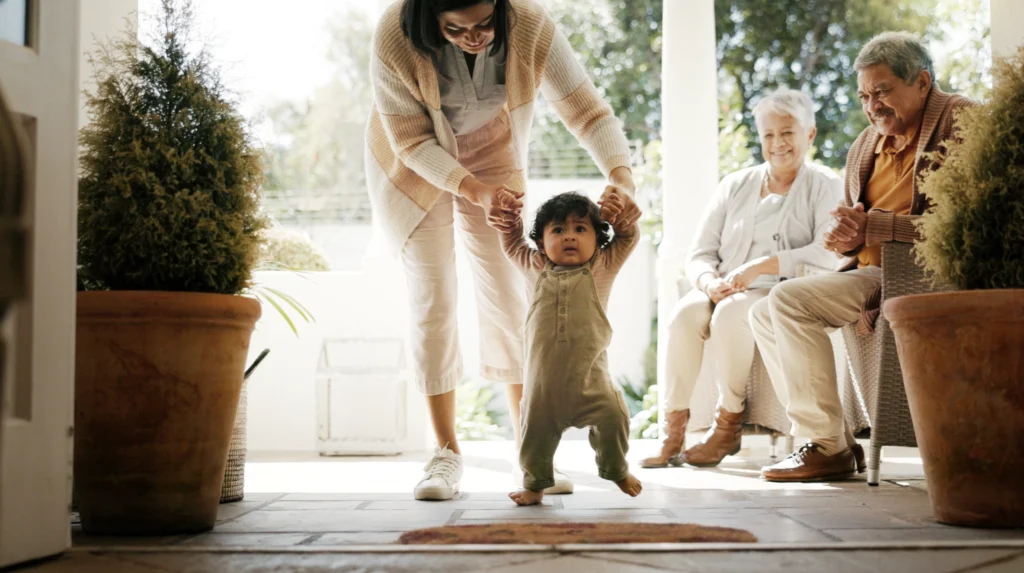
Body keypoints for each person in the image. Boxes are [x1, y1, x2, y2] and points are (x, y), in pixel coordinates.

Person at [365, 0, 640, 500]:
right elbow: (408, 141)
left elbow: (587, 110)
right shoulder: (393, 34)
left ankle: (526, 453)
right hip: (414, 164)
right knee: (434, 299)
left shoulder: (531, 25)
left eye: (486, 23)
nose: (475, 37)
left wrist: (621, 176)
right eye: (456, 29)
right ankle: (445, 453)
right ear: (429, 18)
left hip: (493, 154)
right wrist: (471, 190)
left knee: (512, 299)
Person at [751, 32, 975, 482]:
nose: (872, 105)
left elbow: (967, 226)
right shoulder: (864, 145)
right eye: (864, 96)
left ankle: (828, 447)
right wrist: (845, 237)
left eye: (883, 91)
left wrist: (879, 227)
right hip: (873, 271)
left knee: (786, 302)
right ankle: (830, 438)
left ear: (923, 82)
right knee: (760, 312)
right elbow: (858, 230)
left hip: (927, 274)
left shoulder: (962, 121)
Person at [640, 89, 843, 470]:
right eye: (769, 135)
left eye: (788, 132)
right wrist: (706, 282)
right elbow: (699, 253)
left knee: (732, 313)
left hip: (779, 293)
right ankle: (672, 432)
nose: (778, 143)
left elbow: (826, 253)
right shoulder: (735, 184)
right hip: (723, 287)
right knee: (684, 316)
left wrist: (763, 265)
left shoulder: (824, 184)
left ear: (809, 134)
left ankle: (727, 425)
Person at [499, 190, 643, 506]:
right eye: (558, 230)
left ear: (598, 239)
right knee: (533, 437)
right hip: (543, 388)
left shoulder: (602, 266)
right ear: (540, 242)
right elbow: (511, 243)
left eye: (580, 229)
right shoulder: (534, 265)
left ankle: (616, 470)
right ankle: (535, 485)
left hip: (592, 384)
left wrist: (622, 218)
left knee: (614, 417)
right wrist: (509, 224)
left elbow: (628, 238)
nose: (570, 237)